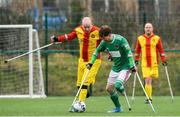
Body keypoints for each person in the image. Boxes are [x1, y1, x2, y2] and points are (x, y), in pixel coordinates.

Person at [50, 17, 102, 107]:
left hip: (94, 61)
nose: (86, 29)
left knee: (84, 82)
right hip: (82, 61)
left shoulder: (98, 31)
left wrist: (110, 54)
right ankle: (86, 92)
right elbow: (68, 36)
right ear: (82, 25)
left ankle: (81, 103)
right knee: (79, 85)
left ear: (92, 24)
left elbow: (106, 43)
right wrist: (57, 39)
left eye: (88, 27)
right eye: (84, 27)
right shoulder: (78, 30)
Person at [86, 25, 136, 113]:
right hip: (116, 67)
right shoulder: (104, 42)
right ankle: (118, 108)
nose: (103, 40)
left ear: (109, 35)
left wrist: (132, 65)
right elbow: (96, 52)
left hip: (126, 67)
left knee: (117, 85)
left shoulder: (121, 40)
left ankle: (120, 87)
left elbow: (129, 53)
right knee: (109, 88)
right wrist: (91, 62)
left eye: (104, 38)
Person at [134, 22, 167, 104]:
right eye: (146, 27)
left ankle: (148, 97)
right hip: (144, 63)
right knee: (148, 79)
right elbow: (137, 50)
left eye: (149, 27)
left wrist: (163, 60)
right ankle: (149, 98)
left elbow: (161, 50)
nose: (148, 29)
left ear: (152, 29)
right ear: (144, 29)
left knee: (153, 76)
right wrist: (136, 59)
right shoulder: (140, 38)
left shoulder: (157, 38)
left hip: (154, 62)